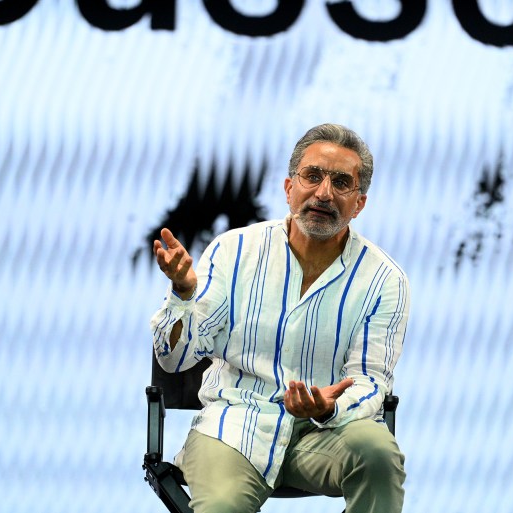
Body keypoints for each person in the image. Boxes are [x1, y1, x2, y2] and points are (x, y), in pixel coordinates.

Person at [150, 123, 411, 513]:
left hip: (324, 434)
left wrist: (328, 409)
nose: (324, 193)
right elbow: (174, 359)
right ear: (290, 188)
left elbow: (371, 380)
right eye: (313, 176)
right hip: (233, 427)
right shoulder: (233, 250)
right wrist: (184, 295)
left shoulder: (384, 279)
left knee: (377, 453)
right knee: (221, 506)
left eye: (342, 182)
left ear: (359, 203)